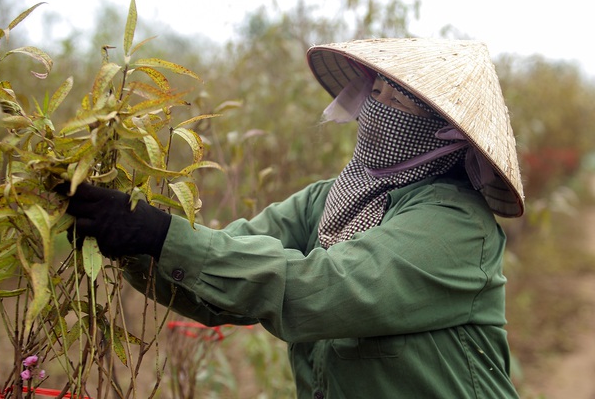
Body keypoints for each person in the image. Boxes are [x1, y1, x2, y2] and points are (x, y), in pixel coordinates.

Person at [57, 38, 524, 398]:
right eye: (374, 91)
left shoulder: (456, 225)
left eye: (396, 102)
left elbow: (320, 289)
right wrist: (136, 242)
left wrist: (162, 236)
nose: (375, 109)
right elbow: (221, 276)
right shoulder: (332, 199)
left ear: (440, 132)